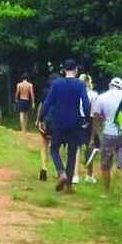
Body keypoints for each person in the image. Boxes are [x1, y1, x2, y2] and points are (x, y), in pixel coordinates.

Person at [39, 59, 90, 193]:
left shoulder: (57, 83)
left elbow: (48, 102)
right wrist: (86, 118)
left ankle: (61, 172)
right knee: (72, 153)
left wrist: (41, 118)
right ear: (76, 70)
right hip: (74, 121)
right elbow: (85, 102)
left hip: (58, 121)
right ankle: (69, 186)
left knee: (54, 149)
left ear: (63, 70)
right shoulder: (80, 84)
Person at [92, 77, 122, 206]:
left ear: (110, 85)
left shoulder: (102, 97)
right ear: (121, 86)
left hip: (108, 134)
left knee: (105, 164)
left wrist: (97, 134)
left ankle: (106, 190)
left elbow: (96, 117)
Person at [75, 73, 99, 184]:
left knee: (76, 147)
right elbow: (95, 113)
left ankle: (75, 175)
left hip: (77, 119)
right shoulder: (94, 94)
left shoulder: (75, 93)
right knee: (91, 146)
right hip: (89, 119)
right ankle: (89, 174)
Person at [35, 71, 60, 181]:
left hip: (46, 121)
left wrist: (38, 120)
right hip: (58, 122)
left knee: (44, 145)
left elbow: (41, 106)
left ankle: (44, 167)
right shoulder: (61, 92)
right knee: (56, 148)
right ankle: (58, 170)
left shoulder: (45, 92)